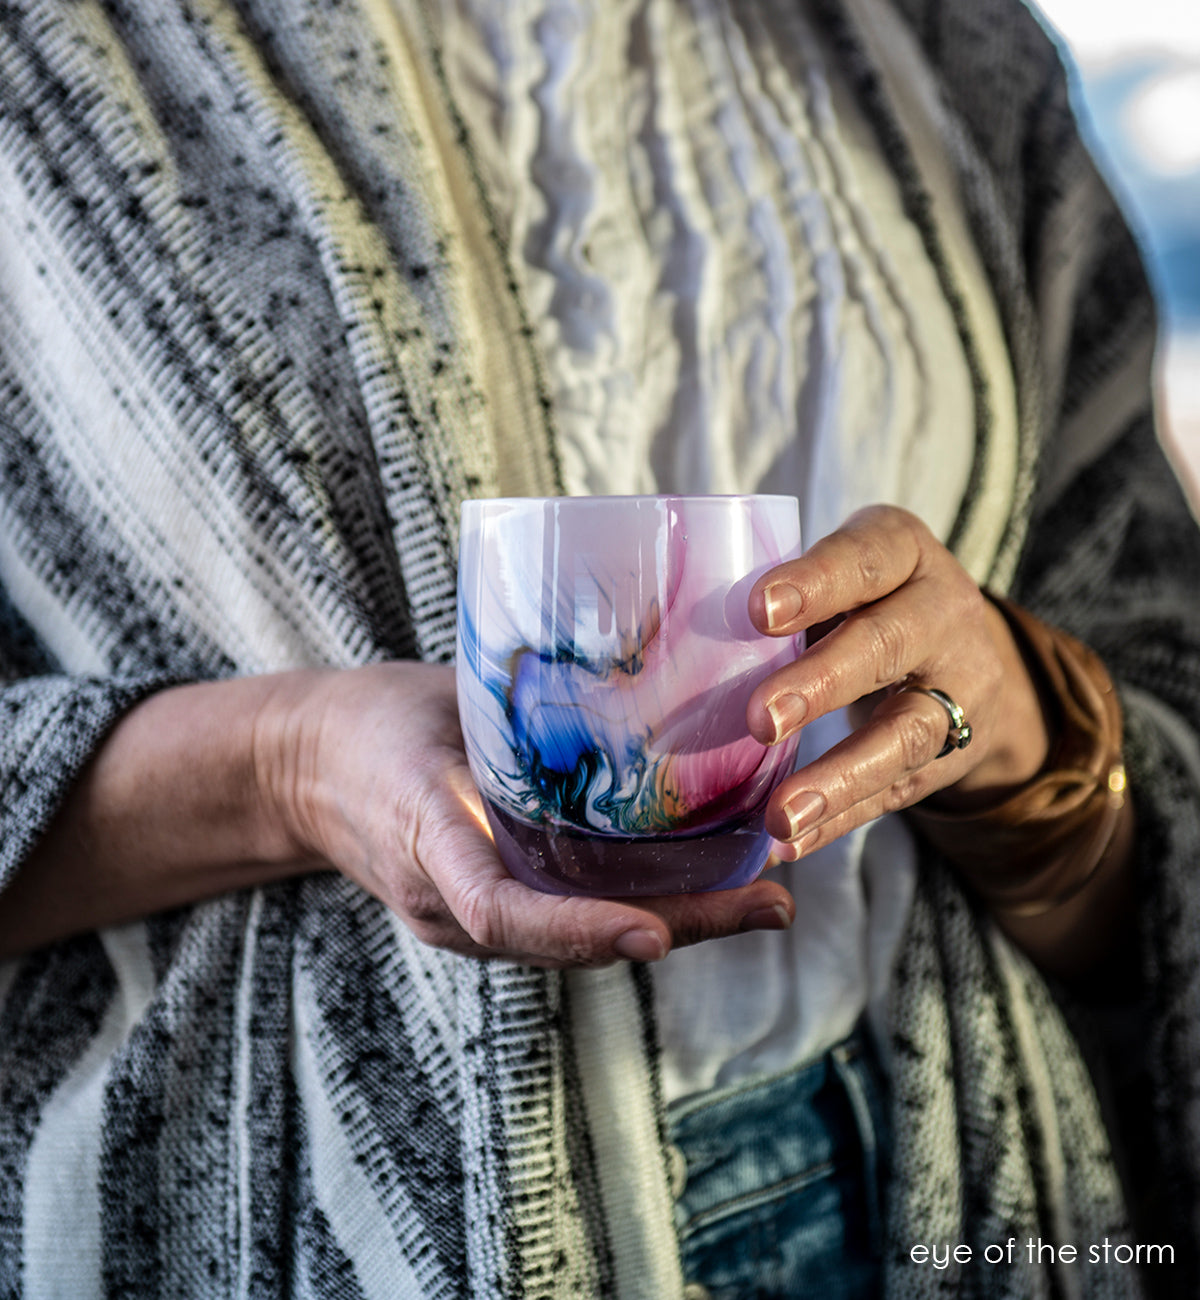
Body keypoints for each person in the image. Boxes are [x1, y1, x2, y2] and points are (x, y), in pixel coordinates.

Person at [0, 0, 1198, 1296]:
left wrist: (1027, 732)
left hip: (965, 1191)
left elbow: (1157, 708)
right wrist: (282, 766)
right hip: (276, 1230)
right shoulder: (46, 53)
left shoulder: (954, 49)